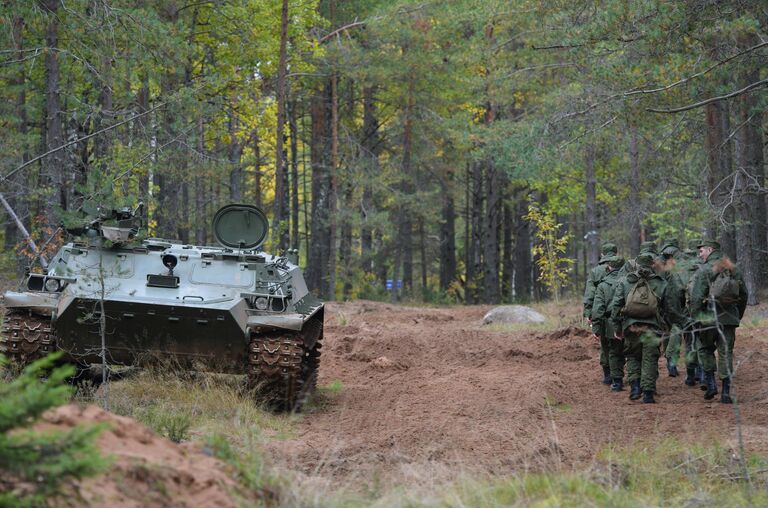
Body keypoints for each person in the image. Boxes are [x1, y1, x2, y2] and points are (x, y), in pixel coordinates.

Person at [609, 253, 690, 403]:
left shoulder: (626, 281)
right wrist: (675, 323)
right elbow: (670, 308)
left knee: (632, 356)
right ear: (652, 265)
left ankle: (634, 388)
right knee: (650, 358)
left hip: (631, 327)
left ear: (637, 265)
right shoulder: (661, 283)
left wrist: (617, 327)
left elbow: (616, 306)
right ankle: (647, 393)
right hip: (652, 327)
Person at [688, 239, 748, 403]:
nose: (700, 255)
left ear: (710, 249)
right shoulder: (733, 269)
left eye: (701, 251)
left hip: (708, 318)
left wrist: (696, 318)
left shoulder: (705, 270)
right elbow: (744, 295)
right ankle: (726, 392)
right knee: (726, 352)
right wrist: (737, 315)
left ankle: (711, 384)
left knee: (705, 349)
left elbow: (696, 298)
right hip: (728, 319)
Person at [583, 242, 618, 384]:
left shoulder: (595, 271)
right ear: (616, 253)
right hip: (619, 313)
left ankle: (607, 375)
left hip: (601, 313)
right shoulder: (621, 268)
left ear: (603, 254)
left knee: (604, 344)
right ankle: (618, 376)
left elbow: (590, 294)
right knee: (618, 344)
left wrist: (588, 313)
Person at [591, 256, 626, 391]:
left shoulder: (603, 285)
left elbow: (598, 309)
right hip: (628, 321)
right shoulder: (628, 281)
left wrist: (596, 328)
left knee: (612, 350)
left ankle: (616, 380)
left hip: (609, 322)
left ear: (609, 267)